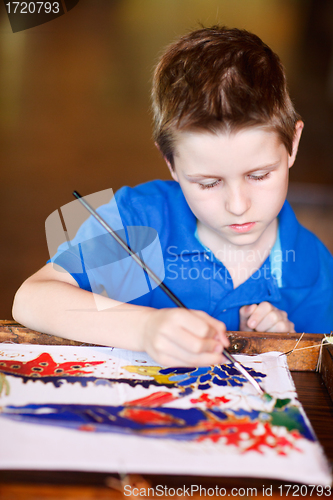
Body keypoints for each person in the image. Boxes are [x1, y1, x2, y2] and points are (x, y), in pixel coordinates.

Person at [12, 26, 333, 367]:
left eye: (259, 175)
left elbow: (319, 365)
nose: (238, 206)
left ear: (293, 145)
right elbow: (30, 299)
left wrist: (281, 342)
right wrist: (145, 329)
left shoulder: (312, 268)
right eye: (208, 183)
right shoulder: (140, 221)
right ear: (172, 163)